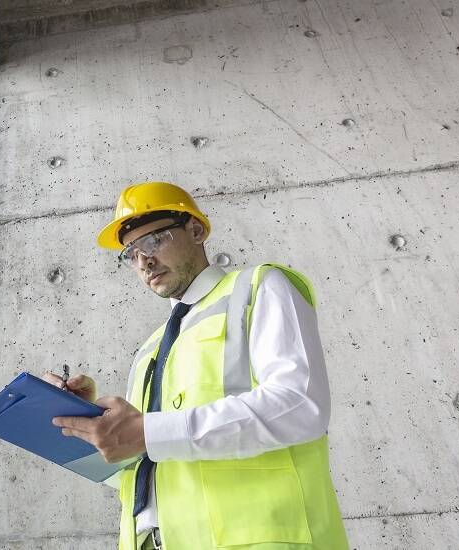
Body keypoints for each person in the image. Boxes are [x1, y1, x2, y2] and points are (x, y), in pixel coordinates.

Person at [44, 181, 349, 550]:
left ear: (196, 230)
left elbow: (301, 406)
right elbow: (141, 461)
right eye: (131, 253)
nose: (144, 262)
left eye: (154, 241)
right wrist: (83, 422)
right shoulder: (149, 351)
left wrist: (148, 432)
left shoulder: (256, 289)